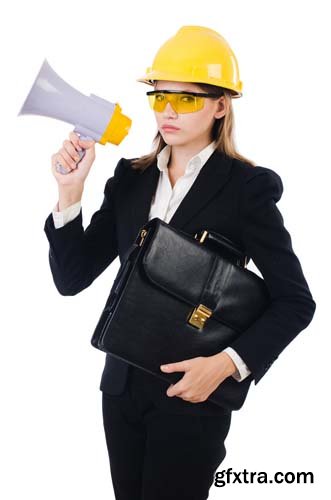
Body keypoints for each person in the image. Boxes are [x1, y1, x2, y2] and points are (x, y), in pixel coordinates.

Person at [44, 25, 316, 500]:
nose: (168, 109)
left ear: (220, 105)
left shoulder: (246, 188)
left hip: (193, 396)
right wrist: (70, 192)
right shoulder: (131, 178)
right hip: (122, 389)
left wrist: (227, 365)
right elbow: (72, 278)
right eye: (159, 95)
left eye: (187, 99)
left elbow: (296, 302)